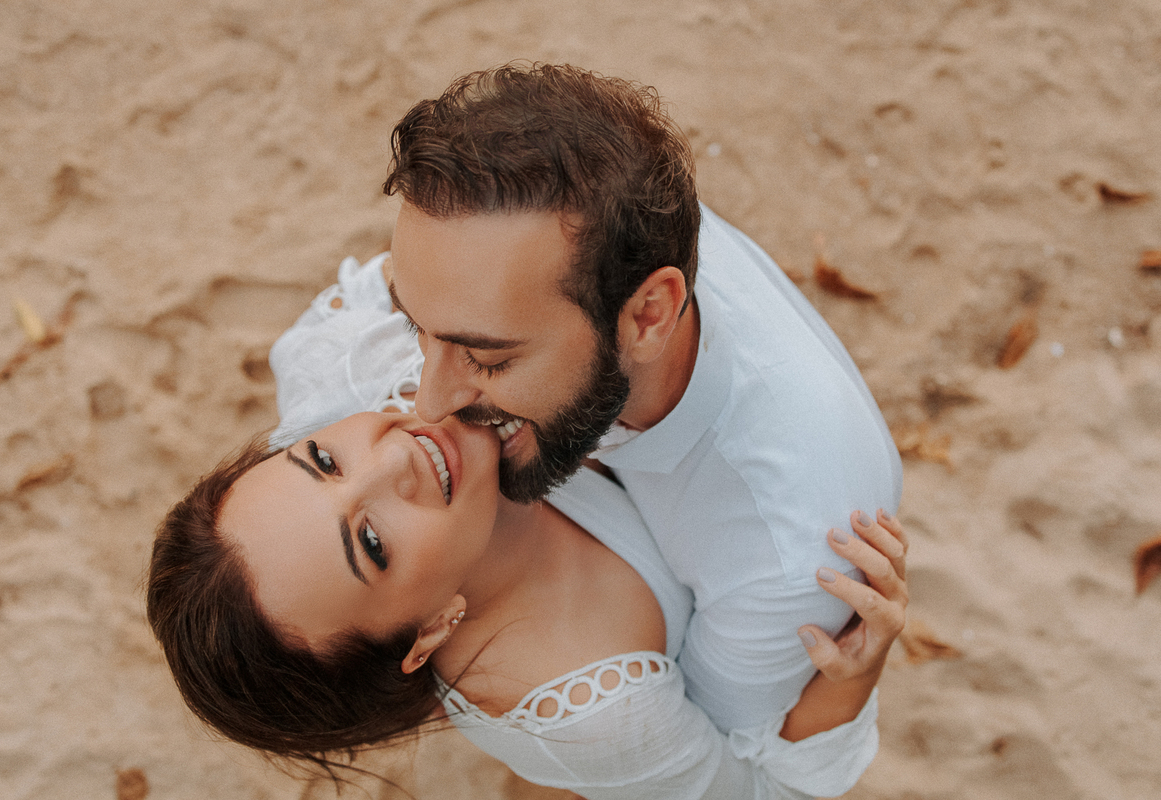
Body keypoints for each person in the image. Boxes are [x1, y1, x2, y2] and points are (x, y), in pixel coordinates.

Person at [147, 261, 909, 797]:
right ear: (424, 636)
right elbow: (756, 796)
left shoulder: (367, 370)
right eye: (371, 544)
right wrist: (844, 690)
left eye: (319, 460)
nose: (396, 456)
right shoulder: (596, 708)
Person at [367, 62, 903, 766]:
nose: (426, 404)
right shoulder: (599, 218)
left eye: (488, 359)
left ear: (648, 315)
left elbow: (716, 760)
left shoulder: (785, 556)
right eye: (417, 328)